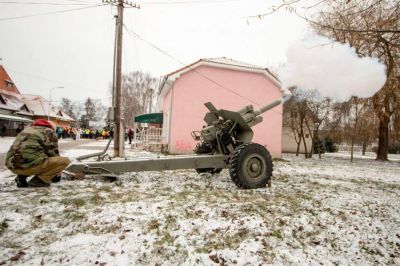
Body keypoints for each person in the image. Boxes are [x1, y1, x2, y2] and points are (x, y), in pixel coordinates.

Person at [5, 119, 71, 188]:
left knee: (30, 156)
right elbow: (53, 153)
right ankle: (38, 181)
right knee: (65, 161)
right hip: (29, 166)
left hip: (12, 166)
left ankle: (21, 177)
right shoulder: (49, 131)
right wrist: (57, 172)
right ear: (52, 128)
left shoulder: (27, 129)